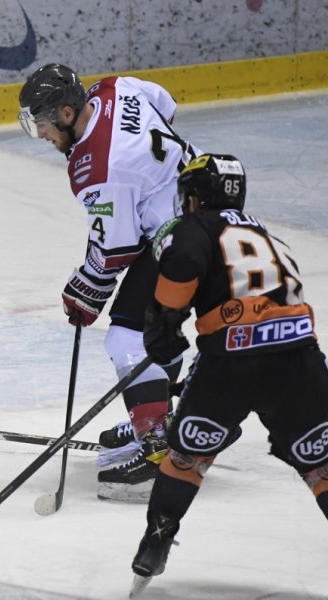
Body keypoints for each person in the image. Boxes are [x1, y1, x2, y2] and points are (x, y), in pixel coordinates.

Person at [129, 153, 328, 592]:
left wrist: (164, 324)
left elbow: (183, 261)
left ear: (195, 196)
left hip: (232, 364)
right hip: (300, 359)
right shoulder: (266, 233)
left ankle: (155, 543)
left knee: (188, 457)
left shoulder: (195, 227)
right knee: (321, 465)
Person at [18, 63, 200, 502]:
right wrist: (149, 178)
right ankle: (160, 417)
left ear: (65, 114)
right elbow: (167, 106)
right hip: (206, 206)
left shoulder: (95, 167)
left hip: (180, 241)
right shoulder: (114, 87)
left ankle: (158, 449)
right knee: (158, 325)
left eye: (43, 125)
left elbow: (116, 249)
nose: (41, 135)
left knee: (126, 337)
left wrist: (83, 290)